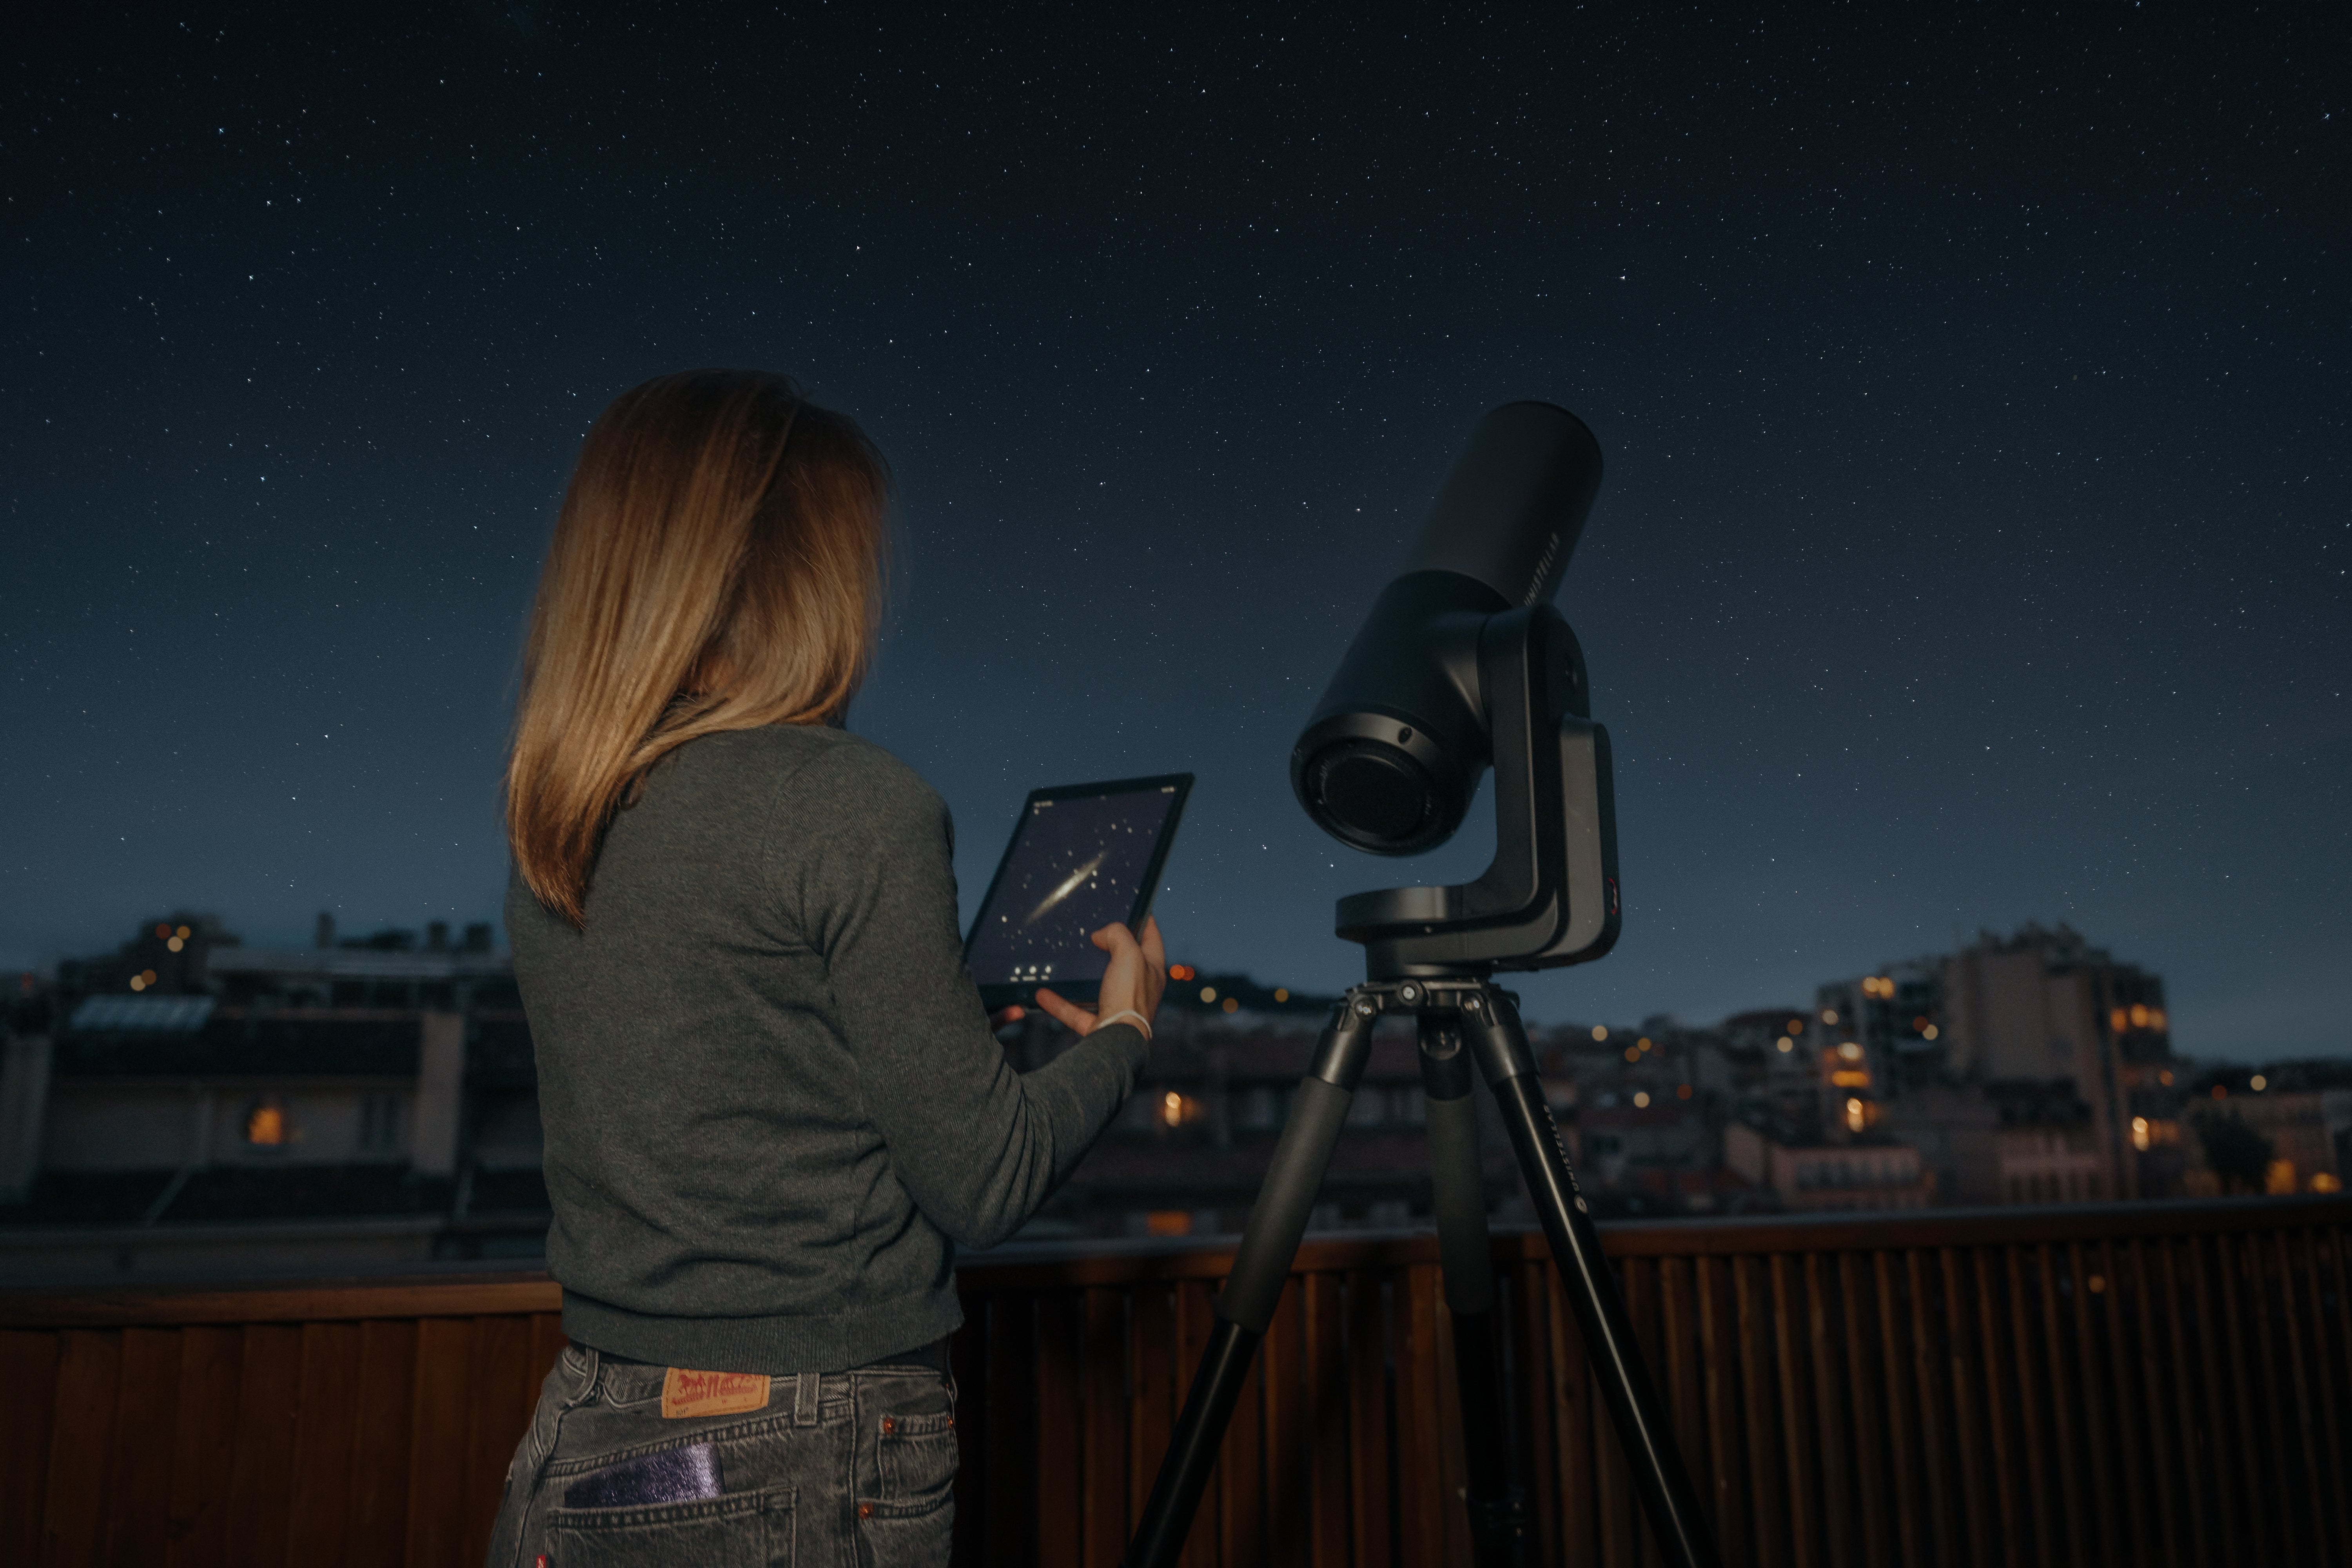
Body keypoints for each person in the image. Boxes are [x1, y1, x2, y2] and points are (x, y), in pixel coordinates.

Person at [485, 369, 1165, 1566]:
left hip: (586, 1427)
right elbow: (986, 1180)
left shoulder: (562, 820)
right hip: (801, 1455)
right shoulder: (853, 806)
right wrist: (1122, 1040)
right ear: (800, 575)